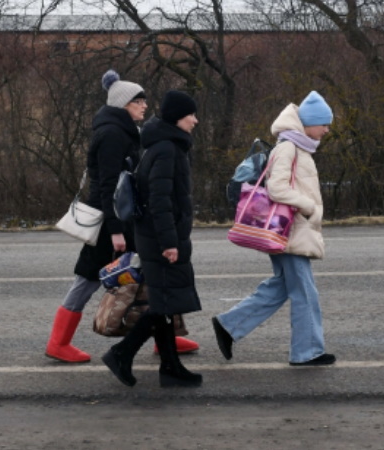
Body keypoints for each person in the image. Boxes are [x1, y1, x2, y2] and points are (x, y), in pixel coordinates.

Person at [45, 70, 199, 363]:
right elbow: (107, 185)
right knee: (88, 278)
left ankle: (164, 339)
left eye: (143, 100)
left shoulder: (127, 131)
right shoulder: (112, 134)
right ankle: (58, 342)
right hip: (109, 222)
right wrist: (115, 229)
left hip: (125, 219)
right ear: (122, 104)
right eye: (137, 101)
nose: (143, 105)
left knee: (151, 276)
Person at [211, 90, 336, 366]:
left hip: (290, 229)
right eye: (324, 124)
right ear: (309, 122)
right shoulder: (288, 147)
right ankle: (307, 352)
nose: (327, 130)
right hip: (289, 230)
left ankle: (229, 325)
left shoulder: (296, 145)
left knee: (282, 287)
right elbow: (277, 188)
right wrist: (308, 206)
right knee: (304, 292)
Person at [102, 90, 203, 387]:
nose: (195, 121)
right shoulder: (166, 150)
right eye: (191, 115)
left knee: (166, 302)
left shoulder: (164, 146)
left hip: (158, 236)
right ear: (176, 117)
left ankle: (171, 367)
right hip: (161, 239)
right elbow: (159, 201)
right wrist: (170, 243)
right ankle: (122, 353)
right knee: (163, 303)